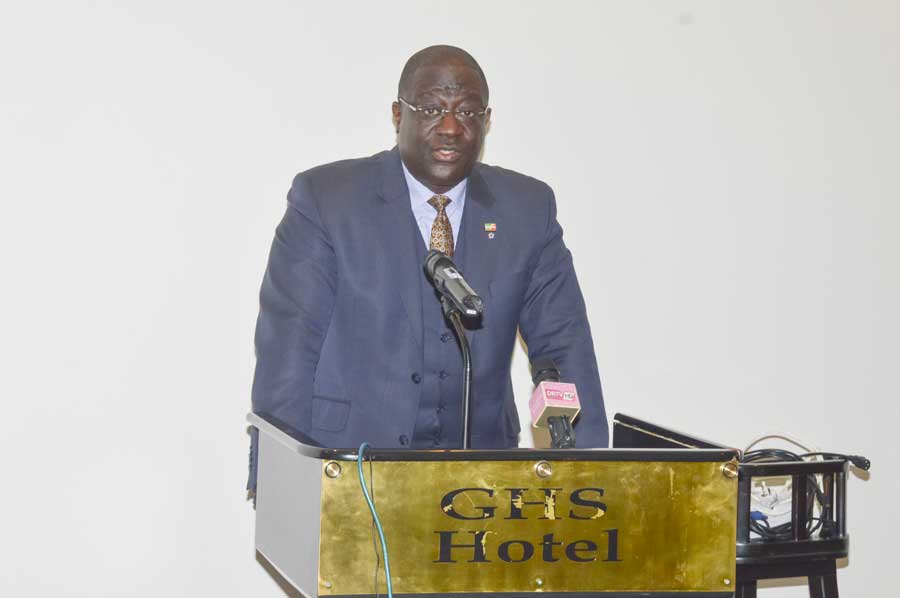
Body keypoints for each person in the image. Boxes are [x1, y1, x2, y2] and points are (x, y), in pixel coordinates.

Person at [248, 45, 607, 491]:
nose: (451, 127)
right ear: (398, 115)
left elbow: (565, 344)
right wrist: (281, 482)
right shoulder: (327, 200)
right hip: (350, 473)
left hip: (482, 481)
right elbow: (288, 353)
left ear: (487, 121)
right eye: (433, 109)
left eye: (468, 112)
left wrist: (591, 481)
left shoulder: (527, 210)